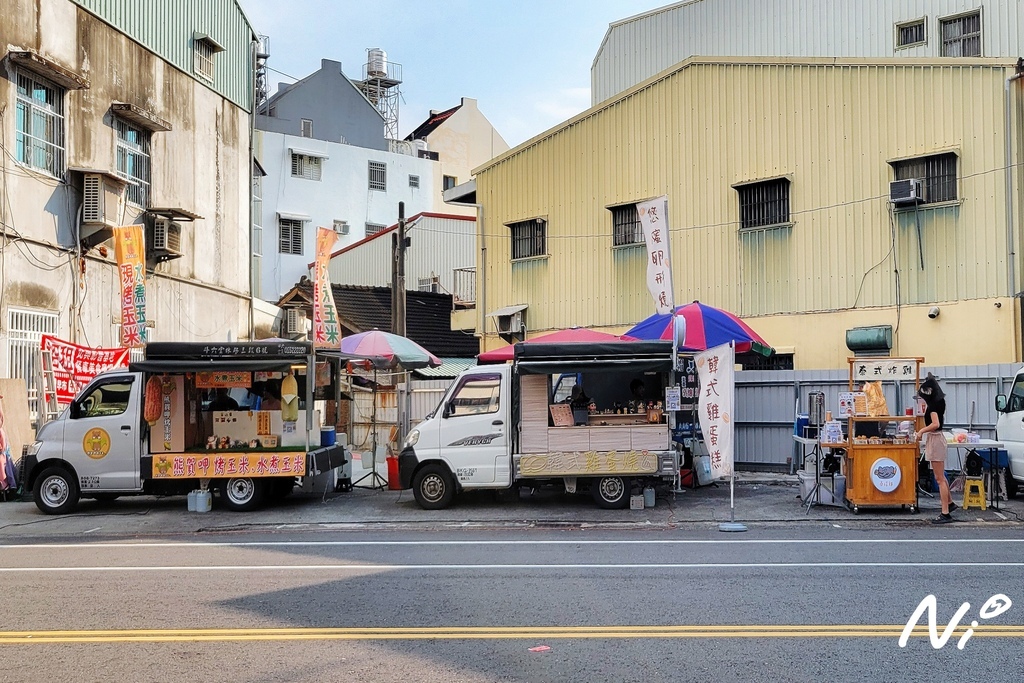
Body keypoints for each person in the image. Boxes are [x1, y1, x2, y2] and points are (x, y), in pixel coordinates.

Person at [913, 373, 956, 524]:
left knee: (939, 479)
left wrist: (921, 431)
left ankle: (945, 513)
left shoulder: (932, 406)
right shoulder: (940, 402)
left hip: (936, 439)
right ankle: (949, 504)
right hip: (937, 439)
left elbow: (935, 424)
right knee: (941, 476)